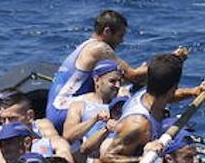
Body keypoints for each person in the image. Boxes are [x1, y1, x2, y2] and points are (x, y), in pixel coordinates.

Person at [47, 10, 180, 133]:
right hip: (62, 112)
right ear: (107, 31)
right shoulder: (99, 48)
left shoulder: (86, 45)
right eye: (120, 36)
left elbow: (126, 77)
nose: (121, 41)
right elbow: (132, 75)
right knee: (128, 96)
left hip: (54, 110)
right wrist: (172, 60)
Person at [0, 89, 73, 163]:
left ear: (29, 116)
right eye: (2, 119)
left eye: (12, 118)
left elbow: (56, 142)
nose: (6, 124)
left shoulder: (42, 125)